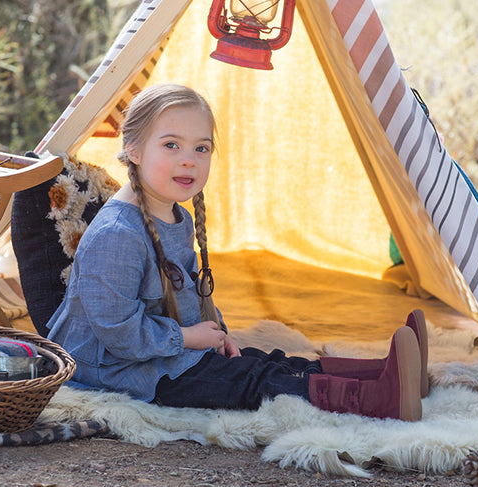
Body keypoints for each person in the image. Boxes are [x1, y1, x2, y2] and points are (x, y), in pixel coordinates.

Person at [46, 83, 428, 421]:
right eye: (171, 145)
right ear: (133, 149)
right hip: (113, 369)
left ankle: (382, 373)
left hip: (158, 351)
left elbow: (188, 292)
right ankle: (378, 400)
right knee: (250, 381)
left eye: (202, 148)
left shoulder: (172, 214)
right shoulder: (117, 235)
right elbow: (119, 333)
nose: (188, 159)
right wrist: (189, 339)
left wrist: (216, 333)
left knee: (263, 360)